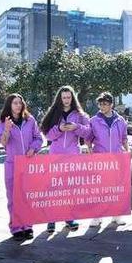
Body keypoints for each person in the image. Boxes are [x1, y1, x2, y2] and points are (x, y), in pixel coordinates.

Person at [41, 86, 90, 234]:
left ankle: (69, 217)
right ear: (59, 98)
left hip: (72, 155)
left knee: (70, 188)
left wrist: (77, 127)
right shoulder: (53, 113)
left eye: (69, 97)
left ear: (72, 98)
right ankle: (51, 219)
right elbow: (48, 136)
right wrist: (59, 129)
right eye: (64, 97)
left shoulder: (80, 114)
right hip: (55, 155)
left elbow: (88, 132)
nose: (66, 100)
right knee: (54, 188)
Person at [0, 93, 43, 240]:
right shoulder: (3, 123)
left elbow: (38, 138)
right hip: (12, 165)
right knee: (13, 198)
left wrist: (33, 148)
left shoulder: (30, 120)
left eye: (20, 103)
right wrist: (7, 129)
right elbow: (3, 142)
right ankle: (16, 226)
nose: (18, 105)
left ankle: (28, 225)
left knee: (28, 196)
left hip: (28, 165)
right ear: (9, 105)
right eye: (15, 103)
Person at [86, 92, 129, 226]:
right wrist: (88, 148)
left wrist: (127, 151)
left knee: (116, 188)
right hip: (100, 159)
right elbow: (88, 138)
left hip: (117, 159)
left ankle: (116, 214)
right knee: (99, 189)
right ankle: (97, 216)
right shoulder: (93, 120)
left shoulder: (120, 120)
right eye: (100, 104)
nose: (102, 106)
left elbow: (124, 138)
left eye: (105, 104)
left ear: (111, 104)